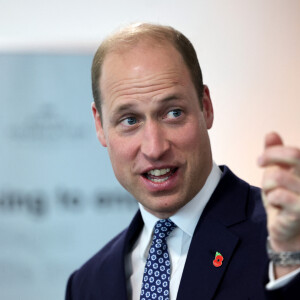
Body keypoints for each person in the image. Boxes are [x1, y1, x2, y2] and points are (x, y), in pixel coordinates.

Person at [65, 23, 300, 299]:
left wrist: (291, 260)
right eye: (130, 120)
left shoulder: (284, 238)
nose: (155, 148)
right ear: (100, 125)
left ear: (206, 107)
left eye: (173, 113)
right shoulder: (87, 284)